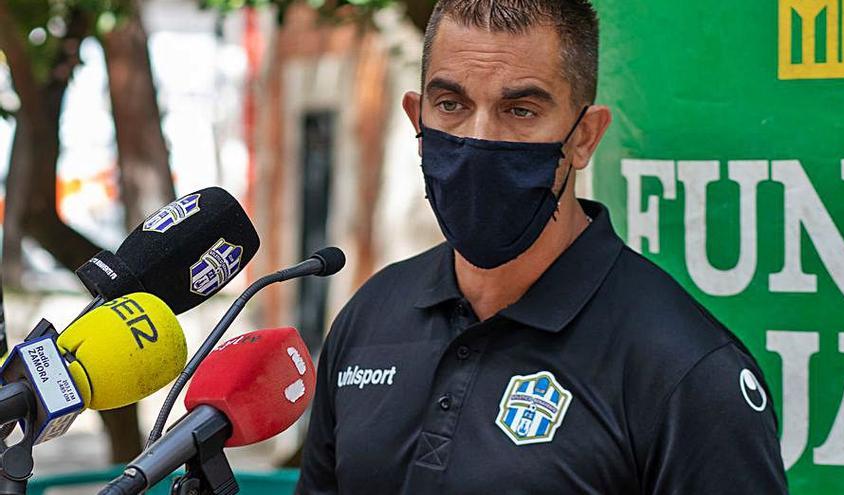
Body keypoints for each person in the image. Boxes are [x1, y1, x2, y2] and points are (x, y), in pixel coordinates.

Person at [296, 1, 788, 493]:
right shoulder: (370, 317)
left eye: (520, 110)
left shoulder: (684, 368)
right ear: (416, 117)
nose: (479, 137)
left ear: (585, 137)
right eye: (451, 104)